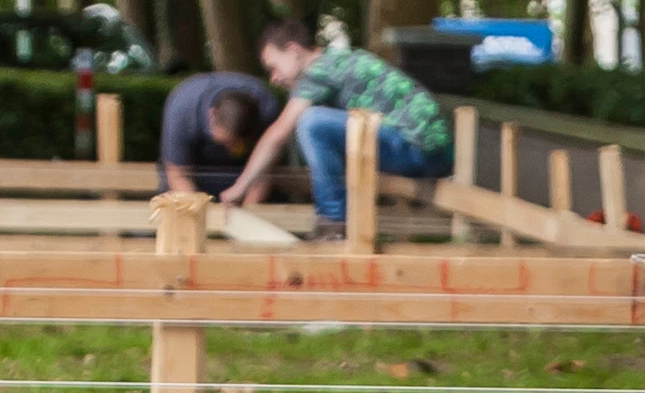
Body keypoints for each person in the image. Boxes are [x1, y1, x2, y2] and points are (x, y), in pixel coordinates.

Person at [223, 22, 451, 234]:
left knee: (311, 122)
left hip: (418, 150)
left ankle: (333, 221)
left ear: (293, 50)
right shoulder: (337, 60)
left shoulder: (318, 71)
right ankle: (336, 217)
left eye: (274, 67)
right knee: (322, 126)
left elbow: (278, 134)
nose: (274, 78)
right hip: (433, 153)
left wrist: (239, 188)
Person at [156, 67, 273, 199]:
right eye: (226, 143)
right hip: (193, 173)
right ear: (212, 115)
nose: (232, 151)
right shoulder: (183, 109)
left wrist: (245, 215)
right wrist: (205, 214)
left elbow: (263, 173)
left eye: (238, 144)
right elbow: (178, 174)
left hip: (245, 174)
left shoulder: (266, 106)